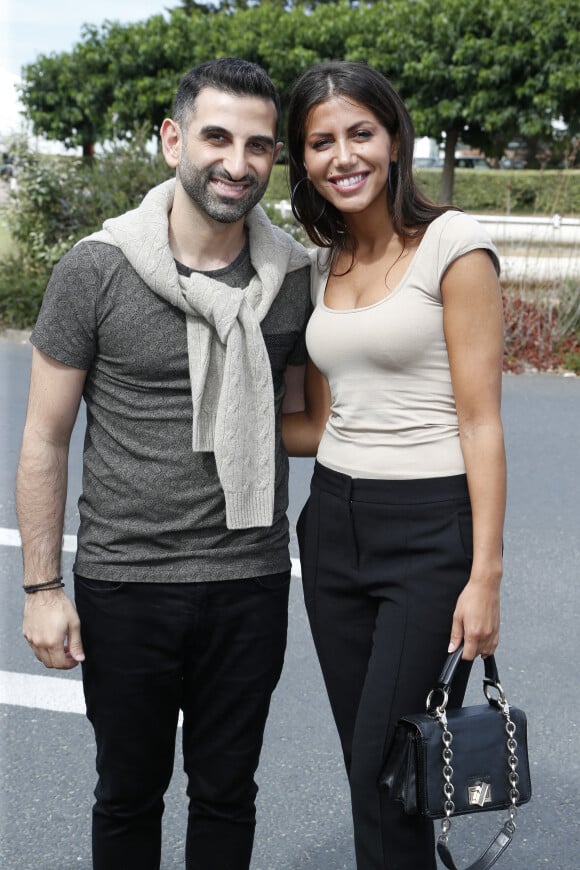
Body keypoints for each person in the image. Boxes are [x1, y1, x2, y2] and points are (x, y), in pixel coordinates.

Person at [16, 57, 311, 870]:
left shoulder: (289, 279)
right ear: (173, 140)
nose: (237, 162)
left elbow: (306, 416)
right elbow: (45, 437)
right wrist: (43, 589)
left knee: (227, 795)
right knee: (127, 794)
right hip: (126, 583)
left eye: (258, 146)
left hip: (248, 579)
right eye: (217, 137)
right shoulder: (96, 268)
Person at [283, 61, 506, 870]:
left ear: (394, 137)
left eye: (359, 133)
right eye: (320, 142)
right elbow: (317, 424)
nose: (343, 156)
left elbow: (481, 423)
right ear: (302, 160)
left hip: (429, 531)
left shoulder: (454, 245)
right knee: (374, 763)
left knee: (384, 762)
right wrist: (207, 425)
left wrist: (485, 575)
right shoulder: (322, 264)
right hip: (333, 523)